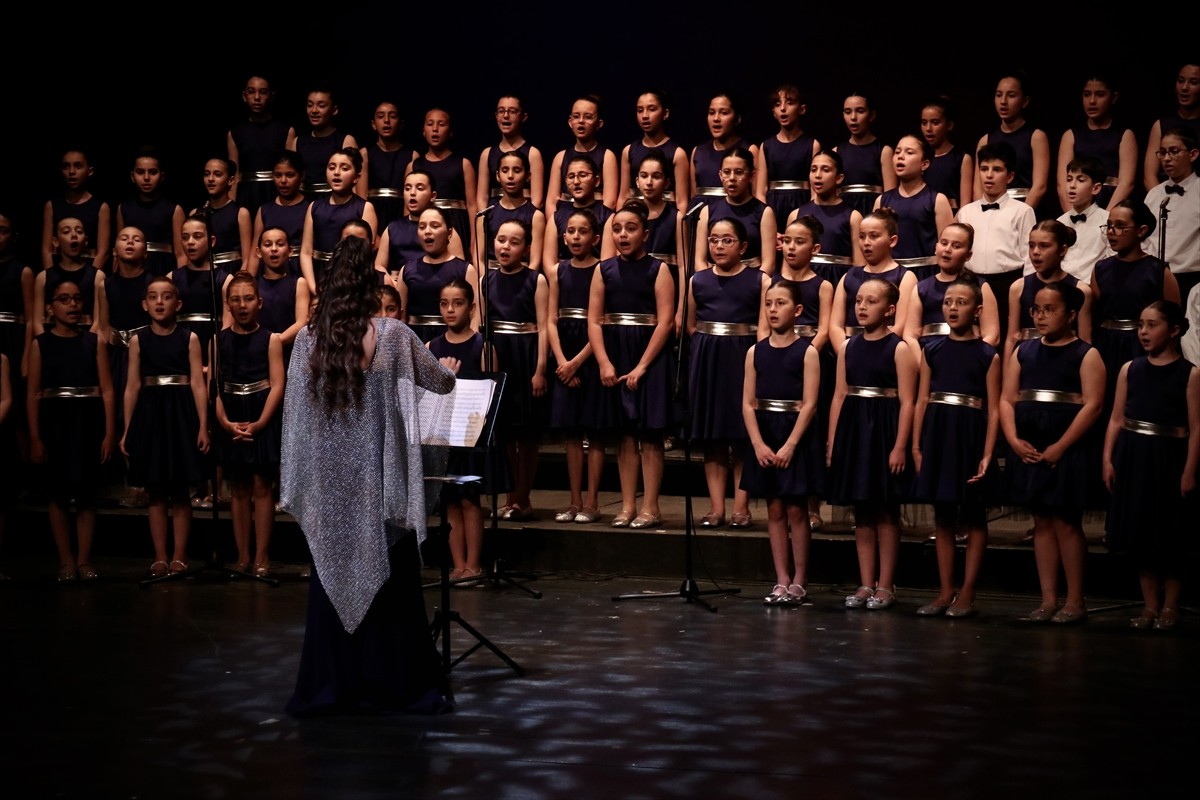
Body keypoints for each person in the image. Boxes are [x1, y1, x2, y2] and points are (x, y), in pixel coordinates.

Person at [281, 235, 454, 717]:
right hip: (380, 485)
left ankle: (330, 687)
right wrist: (453, 368)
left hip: (329, 488)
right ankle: (394, 685)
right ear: (371, 284)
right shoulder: (395, 335)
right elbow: (441, 382)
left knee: (333, 581)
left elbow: (295, 419)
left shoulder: (306, 341)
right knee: (391, 588)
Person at [1000, 281, 1105, 624]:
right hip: (1030, 444)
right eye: (1037, 310)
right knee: (1041, 521)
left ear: (1071, 315)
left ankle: (1075, 599)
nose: (1041, 316)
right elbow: (1006, 398)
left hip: (1066, 445)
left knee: (1066, 521)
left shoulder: (1086, 353)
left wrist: (1061, 446)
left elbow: (1093, 405)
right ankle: (1048, 599)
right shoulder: (1024, 351)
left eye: (1050, 310)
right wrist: (1013, 440)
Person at [1102, 300, 1199, 631]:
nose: (1143, 332)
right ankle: (1149, 604)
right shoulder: (1130, 369)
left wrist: (1189, 470)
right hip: (1134, 455)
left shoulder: (1190, 374)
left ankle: (1171, 604)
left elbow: (1197, 427)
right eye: (1141, 324)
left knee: (1170, 533)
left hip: (1169, 457)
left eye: (1152, 325)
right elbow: (1116, 419)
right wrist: (1107, 459)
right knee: (1140, 531)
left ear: (1173, 330)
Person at [911, 275, 1000, 617]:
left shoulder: (986, 355)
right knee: (943, 516)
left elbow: (992, 409)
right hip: (938, 432)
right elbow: (921, 399)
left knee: (974, 516)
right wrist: (917, 447)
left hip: (970, 433)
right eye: (948, 302)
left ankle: (968, 591)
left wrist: (989, 453)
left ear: (977, 311)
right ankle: (945, 590)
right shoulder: (930, 349)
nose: (952, 308)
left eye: (961, 303)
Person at [827, 277, 917, 611]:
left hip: (884, 430)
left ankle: (886, 584)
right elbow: (839, 394)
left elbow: (907, 401)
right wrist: (833, 441)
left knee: (886, 511)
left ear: (890, 309)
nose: (862, 307)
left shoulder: (899, 348)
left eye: (871, 301)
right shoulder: (849, 346)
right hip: (855, 430)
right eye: (859, 301)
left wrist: (899, 446)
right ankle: (866, 583)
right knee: (862, 513)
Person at [588, 200, 674, 528]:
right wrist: (604, 362)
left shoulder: (659, 269)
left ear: (646, 234)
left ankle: (651, 506)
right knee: (624, 435)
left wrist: (641, 367)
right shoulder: (604, 269)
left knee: (649, 434)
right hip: (615, 353)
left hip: (649, 356)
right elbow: (594, 321)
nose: (623, 235)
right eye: (617, 229)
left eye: (631, 229)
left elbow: (665, 322)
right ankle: (626, 506)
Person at [120, 277, 209, 578]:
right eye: (154, 297)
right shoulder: (138, 340)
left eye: (167, 296)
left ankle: (180, 555)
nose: (160, 302)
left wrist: (203, 425)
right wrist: (127, 429)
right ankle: (160, 555)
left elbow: (198, 383)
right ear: (145, 304)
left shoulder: (190, 338)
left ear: (178, 304)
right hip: (151, 413)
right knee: (156, 490)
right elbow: (131, 386)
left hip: (182, 413)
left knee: (181, 491)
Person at [27, 280, 115, 582]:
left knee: (88, 495)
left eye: (77, 299)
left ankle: (84, 560)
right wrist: (36, 437)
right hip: (55, 422)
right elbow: (34, 393)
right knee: (58, 494)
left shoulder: (94, 342)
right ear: (51, 308)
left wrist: (108, 433)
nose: (73, 304)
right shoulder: (41, 343)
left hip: (88, 420)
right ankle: (65, 560)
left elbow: (107, 390)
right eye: (64, 299)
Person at [741, 280, 821, 605]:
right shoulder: (754, 351)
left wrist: (790, 444)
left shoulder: (808, 351)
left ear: (798, 310)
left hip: (794, 434)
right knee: (774, 508)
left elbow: (811, 403)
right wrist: (759, 444)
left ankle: (800, 579)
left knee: (796, 509)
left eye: (781, 304)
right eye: (769, 304)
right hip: (766, 432)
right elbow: (747, 403)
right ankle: (781, 579)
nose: (773, 310)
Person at [686, 218, 769, 528]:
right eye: (713, 240)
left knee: (742, 435)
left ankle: (741, 507)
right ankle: (716, 507)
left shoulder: (759, 280)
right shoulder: (698, 280)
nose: (718, 246)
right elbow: (691, 324)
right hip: (708, 358)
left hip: (742, 356)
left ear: (743, 246)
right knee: (713, 437)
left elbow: (763, 327)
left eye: (727, 240)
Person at [214, 272, 284, 577]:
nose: (242, 305)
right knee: (238, 487)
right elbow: (214, 387)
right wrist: (226, 423)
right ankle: (242, 556)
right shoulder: (218, 341)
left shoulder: (271, 339)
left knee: (261, 485)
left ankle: (261, 556)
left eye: (248, 298)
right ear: (228, 304)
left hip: (261, 413)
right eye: (236, 299)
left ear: (260, 302)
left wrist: (259, 424)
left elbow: (278, 385)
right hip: (231, 413)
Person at [427, 278, 495, 583]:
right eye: (444, 303)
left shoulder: (484, 346)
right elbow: (426, 395)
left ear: (471, 308)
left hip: (470, 436)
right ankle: (457, 565)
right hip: (444, 436)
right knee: (449, 500)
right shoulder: (432, 347)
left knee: (470, 499)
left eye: (458, 303)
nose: (450, 309)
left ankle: (474, 564)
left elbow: (489, 394)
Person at [483, 219, 547, 521]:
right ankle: (509, 498)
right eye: (501, 240)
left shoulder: (536, 280)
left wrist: (540, 369)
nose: (505, 246)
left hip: (526, 355)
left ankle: (524, 497)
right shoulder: (486, 280)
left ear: (526, 248)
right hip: (500, 358)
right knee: (505, 433)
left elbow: (545, 327)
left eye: (513, 242)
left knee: (528, 434)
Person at [1090, 200, 1180, 410]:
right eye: (1109, 226)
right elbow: (1095, 312)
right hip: (1107, 345)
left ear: (1141, 231)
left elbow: (1174, 318)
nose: (1112, 232)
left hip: (1141, 346)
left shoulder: (1157, 271)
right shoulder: (1101, 268)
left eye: (1120, 226)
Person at [547, 209, 605, 524]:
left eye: (583, 232)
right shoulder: (558, 271)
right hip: (564, 353)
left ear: (595, 238)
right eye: (571, 231)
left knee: (593, 432)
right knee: (571, 433)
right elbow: (551, 320)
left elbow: (601, 321)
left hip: (591, 351)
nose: (576, 237)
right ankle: (574, 500)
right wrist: (561, 361)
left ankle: (593, 501)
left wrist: (578, 362)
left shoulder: (602, 270)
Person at [776, 215, 833, 532]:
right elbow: (762, 325)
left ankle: (812, 506)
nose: (792, 247)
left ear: (815, 248)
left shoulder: (822, 285)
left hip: (810, 361)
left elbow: (824, 329)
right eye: (788, 241)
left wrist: (802, 353)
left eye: (800, 242)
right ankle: (781, 502)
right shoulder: (771, 281)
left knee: (811, 432)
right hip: (777, 362)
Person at [956, 142, 1035, 343]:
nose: (989, 175)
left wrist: (1024, 292)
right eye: (984, 169)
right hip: (973, 284)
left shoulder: (1023, 211)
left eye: (997, 170)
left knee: (1008, 339)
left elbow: (1030, 256)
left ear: (1009, 176)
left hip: (1008, 284)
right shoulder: (966, 212)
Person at [1005, 220, 1093, 367]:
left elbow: (1085, 339)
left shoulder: (1081, 290)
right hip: (1028, 361)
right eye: (1031, 245)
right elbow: (1012, 337)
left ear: (1062, 250)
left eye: (1044, 246)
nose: (1035, 252)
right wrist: (1006, 377)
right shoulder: (1018, 287)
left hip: (1065, 362)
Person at [906, 222, 1000, 356]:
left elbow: (992, 335)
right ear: (936, 247)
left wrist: (970, 360)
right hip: (930, 358)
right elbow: (910, 335)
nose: (947, 250)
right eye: (944, 243)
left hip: (970, 357)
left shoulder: (980, 286)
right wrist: (923, 364)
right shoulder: (921, 288)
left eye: (956, 246)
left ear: (968, 255)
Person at [830, 208, 916, 354]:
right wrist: (846, 354)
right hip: (850, 352)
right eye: (862, 237)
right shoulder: (849, 276)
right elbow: (835, 326)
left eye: (874, 236)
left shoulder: (904, 277)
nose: (866, 243)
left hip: (885, 353)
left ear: (892, 240)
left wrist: (874, 353)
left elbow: (901, 326)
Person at [874, 134, 954, 280]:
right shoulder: (882, 201)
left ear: (925, 164)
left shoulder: (937, 200)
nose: (901, 156)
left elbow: (948, 246)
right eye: (897, 152)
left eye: (909, 152)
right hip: (891, 276)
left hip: (927, 275)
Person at [1056, 72, 1136, 212]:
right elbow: (1062, 183)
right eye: (1087, 94)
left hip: (1112, 204)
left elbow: (1126, 183)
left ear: (1114, 97)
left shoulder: (1124, 135)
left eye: (1100, 94)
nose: (1092, 101)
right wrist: (1072, 216)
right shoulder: (1071, 135)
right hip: (1078, 206)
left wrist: (1107, 218)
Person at [397, 207, 480, 343]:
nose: (427, 231)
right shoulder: (407, 270)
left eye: (435, 226)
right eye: (422, 227)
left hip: (454, 340)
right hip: (415, 340)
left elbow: (475, 316)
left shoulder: (465, 270)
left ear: (449, 232)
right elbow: (400, 317)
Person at [300, 148, 376, 295]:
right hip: (319, 275)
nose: (336, 172)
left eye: (344, 168)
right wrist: (313, 287)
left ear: (356, 177)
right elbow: (306, 251)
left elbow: (366, 255)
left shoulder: (364, 208)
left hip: (351, 280)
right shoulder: (315, 207)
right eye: (332, 167)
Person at [973, 72, 1050, 212]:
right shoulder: (985, 139)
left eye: (1011, 95)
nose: (1003, 101)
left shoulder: (1036, 136)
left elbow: (1040, 186)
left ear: (1025, 101)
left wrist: (1021, 214)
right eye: (998, 95)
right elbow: (978, 187)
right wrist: (983, 213)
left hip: (1025, 207)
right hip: (991, 208)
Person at [694, 147, 777, 275]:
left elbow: (769, 264)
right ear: (720, 175)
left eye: (739, 172)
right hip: (715, 284)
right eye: (727, 172)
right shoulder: (707, 211)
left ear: (751, 176)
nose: (732, 178)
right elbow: (699, 261)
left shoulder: (764, 213)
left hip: (751, 283)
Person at [1142, 129, 1200, 305]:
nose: (1166, 159)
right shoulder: (1154, 194)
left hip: (1191, 280)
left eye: (1174, 151)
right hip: (1153, 279)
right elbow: (1144, 238)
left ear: (1193, 154)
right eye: (1162, 152)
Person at [411, 107, 477, 259]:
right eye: (430, 124)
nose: (435, 129)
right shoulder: (415, 165)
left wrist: (474, 242)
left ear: (450, 131)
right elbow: (409, 207)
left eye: (441, 124)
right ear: (423, 130)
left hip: (457, 224)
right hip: (426, 224)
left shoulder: (463, 164)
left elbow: (472, 205)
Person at [376, 169, 466, 280]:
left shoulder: (446, 230)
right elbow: (379, 266)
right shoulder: (392, 228)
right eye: (407, 188)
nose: (412, 193)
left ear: (432, 196)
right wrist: (391, 282)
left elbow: (459, 269)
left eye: (419, 188)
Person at [227, 74, 297, 216]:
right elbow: (234, 175)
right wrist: (231, 209)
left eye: (263, 92)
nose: (257, 97)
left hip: (276, 193)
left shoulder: (285, 131)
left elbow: (292, 172)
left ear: (271, 95)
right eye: (251, 91)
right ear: (244, 95)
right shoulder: (235, 133)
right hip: (246, 195)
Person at [789, 151, 864, 282]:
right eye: (813, 170)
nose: (818, 175)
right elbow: (788, 265)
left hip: (839, 282)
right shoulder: (796, 214)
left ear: (839, 178)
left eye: (825, 170)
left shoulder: (853, 216)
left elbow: (859, 267)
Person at [756, 83, 820, 228]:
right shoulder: (766, 146)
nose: (783, 109)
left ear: (801, 109)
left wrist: (807, 217)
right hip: (773, 207)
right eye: (778, 105)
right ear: (774, 112)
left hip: (802, 204)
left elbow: (815, 190)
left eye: (789, 103)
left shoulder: (812, 145)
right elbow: (760, 192)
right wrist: (767, 222)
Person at [116, 147, 184, 277]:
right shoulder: (124, 208)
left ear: (162, 176)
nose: (146, 178)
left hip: (163, 269)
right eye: (140, 172)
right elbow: (119, 250)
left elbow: (180, 254)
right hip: (131, 271)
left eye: (153, 172)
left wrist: (180, 281)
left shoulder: (174, 210)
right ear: (132, 176)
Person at [618, 89, 689, 212]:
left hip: (666, 218)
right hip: (635, 216)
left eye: (652, 109)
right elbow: (623, 196)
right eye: (640, 110)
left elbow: (681, 200)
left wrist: (680, 227)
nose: (645, 116)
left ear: (665, 113)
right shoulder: (629, 151)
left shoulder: (677, 153)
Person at [32, 217, 104, 338]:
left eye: (79, 231)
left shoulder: (97, 277)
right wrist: (47, 344)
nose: (74, 235)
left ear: (85, 240)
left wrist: (87, 344)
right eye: (66, 231)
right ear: (55, 242)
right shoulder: (43, 278)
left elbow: (99, 321)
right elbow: (37, 322)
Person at [546, 94, 619, 212]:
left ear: (599, 124)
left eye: (588, 117)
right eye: (576, 116)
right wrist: (555, 224)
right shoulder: (560, 157)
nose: (581, 121)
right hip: (565, 218)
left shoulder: (607, 156)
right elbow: (551, 201)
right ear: (570, 122)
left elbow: (610, 201)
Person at [41, 147, 110, 270]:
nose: (71, 171)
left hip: (89, 272)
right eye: (66, 166)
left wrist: (91, 278)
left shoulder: (101, 207)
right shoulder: (51, 206)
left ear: (90, 171)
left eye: (78, 166)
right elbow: (46, 250)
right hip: (58, 272)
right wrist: (50, 277)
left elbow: (103, 252)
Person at [476, 150, 545, 271]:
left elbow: (535, 261)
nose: (510, 176)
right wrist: (485, 283)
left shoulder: (536, 216)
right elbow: (479, 259)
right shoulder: (485, 215)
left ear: (527, 176)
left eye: (517, 171)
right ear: (498, 175)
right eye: (505, 170)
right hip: (491, 280)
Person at [477, 93, 545, 212]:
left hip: (523, 214)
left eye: (512, 111)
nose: (506, 115)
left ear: (523, 117)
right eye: (501, 111)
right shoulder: (487, 153)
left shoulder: (533, 153)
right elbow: (482, 198)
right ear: (496, 116)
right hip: (495, 214)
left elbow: (537, 199)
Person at [689, 92, 757, 211]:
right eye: (711, 113)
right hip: (700, 217)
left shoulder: (749, 150)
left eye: (724, 113)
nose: (716, 119)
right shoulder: (698, 151)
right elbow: (693, 195)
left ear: (737, 118)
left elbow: (756, 194)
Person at [248, 150, 311, 277]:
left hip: (300, 272)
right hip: (269, 275)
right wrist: (249, 281)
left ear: (301, 176)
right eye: (278, 175)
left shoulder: (310, 208)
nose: (283, 180)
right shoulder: (265, 210)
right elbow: (255, 254)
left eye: (289, 175)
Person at [833, 92, 895, 217]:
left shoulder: (884, 151)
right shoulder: (836, 151)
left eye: (860, 111)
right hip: (843, 215)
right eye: (848, 112)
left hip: (873, 213)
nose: (853, 117)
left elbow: (890, 197)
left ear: (871, 115)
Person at [545, 155, 614, 267]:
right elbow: (549, 263)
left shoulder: (607, 216)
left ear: (596, 181)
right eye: (571, 176)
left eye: (582, 175)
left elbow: (607, 263)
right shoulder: (556, 218)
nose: (576, 182)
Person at [296, 82, 360, 199]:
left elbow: (354, 183)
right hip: (302, 204)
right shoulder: (298, 142)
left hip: (334, 203)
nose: (314, 110)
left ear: (334, 110)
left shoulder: (345, 140)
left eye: (321, 105)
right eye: (310, 105)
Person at [1143, 62, 1200, 192]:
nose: (1184, 87)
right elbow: (1149, 175)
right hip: (1164, 199)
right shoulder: (1161, 125)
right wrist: (1161, 203)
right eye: (1180, 81)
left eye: (1193, 82)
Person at [362, 100, 418, 232]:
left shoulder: (412, 155)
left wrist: (405, 229)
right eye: (381, 116)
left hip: (400, 214)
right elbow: (361, 198)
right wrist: (371, 232)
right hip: (373, 215)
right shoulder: (365, 153)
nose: (386, 120)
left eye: (392, 116)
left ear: (401, 124)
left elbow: (411, 198)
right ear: (373, 124)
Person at [1056, 157, 1113, 283]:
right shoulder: (1059, 223)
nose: (1072, 185)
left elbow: (1112, 262)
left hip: (1093, 289)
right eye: (1069, 179)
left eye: (1080, 180)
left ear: (1095, 188)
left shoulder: (1107, 221)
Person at [195, 157, 253, 275]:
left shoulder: (240, 213)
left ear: (230, 180)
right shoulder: (196, 213)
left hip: (232, 272)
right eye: (207, 174)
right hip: (203, 272)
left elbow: (247, 258)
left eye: (217, 174)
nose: (211, 179)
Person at [920, 95, 973, 212]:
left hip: (951, 218)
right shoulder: (921, 158)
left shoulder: (961, 158)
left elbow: (965, 206)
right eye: (924, 123)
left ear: (949, 125)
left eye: (935, 122)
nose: (928, 128)